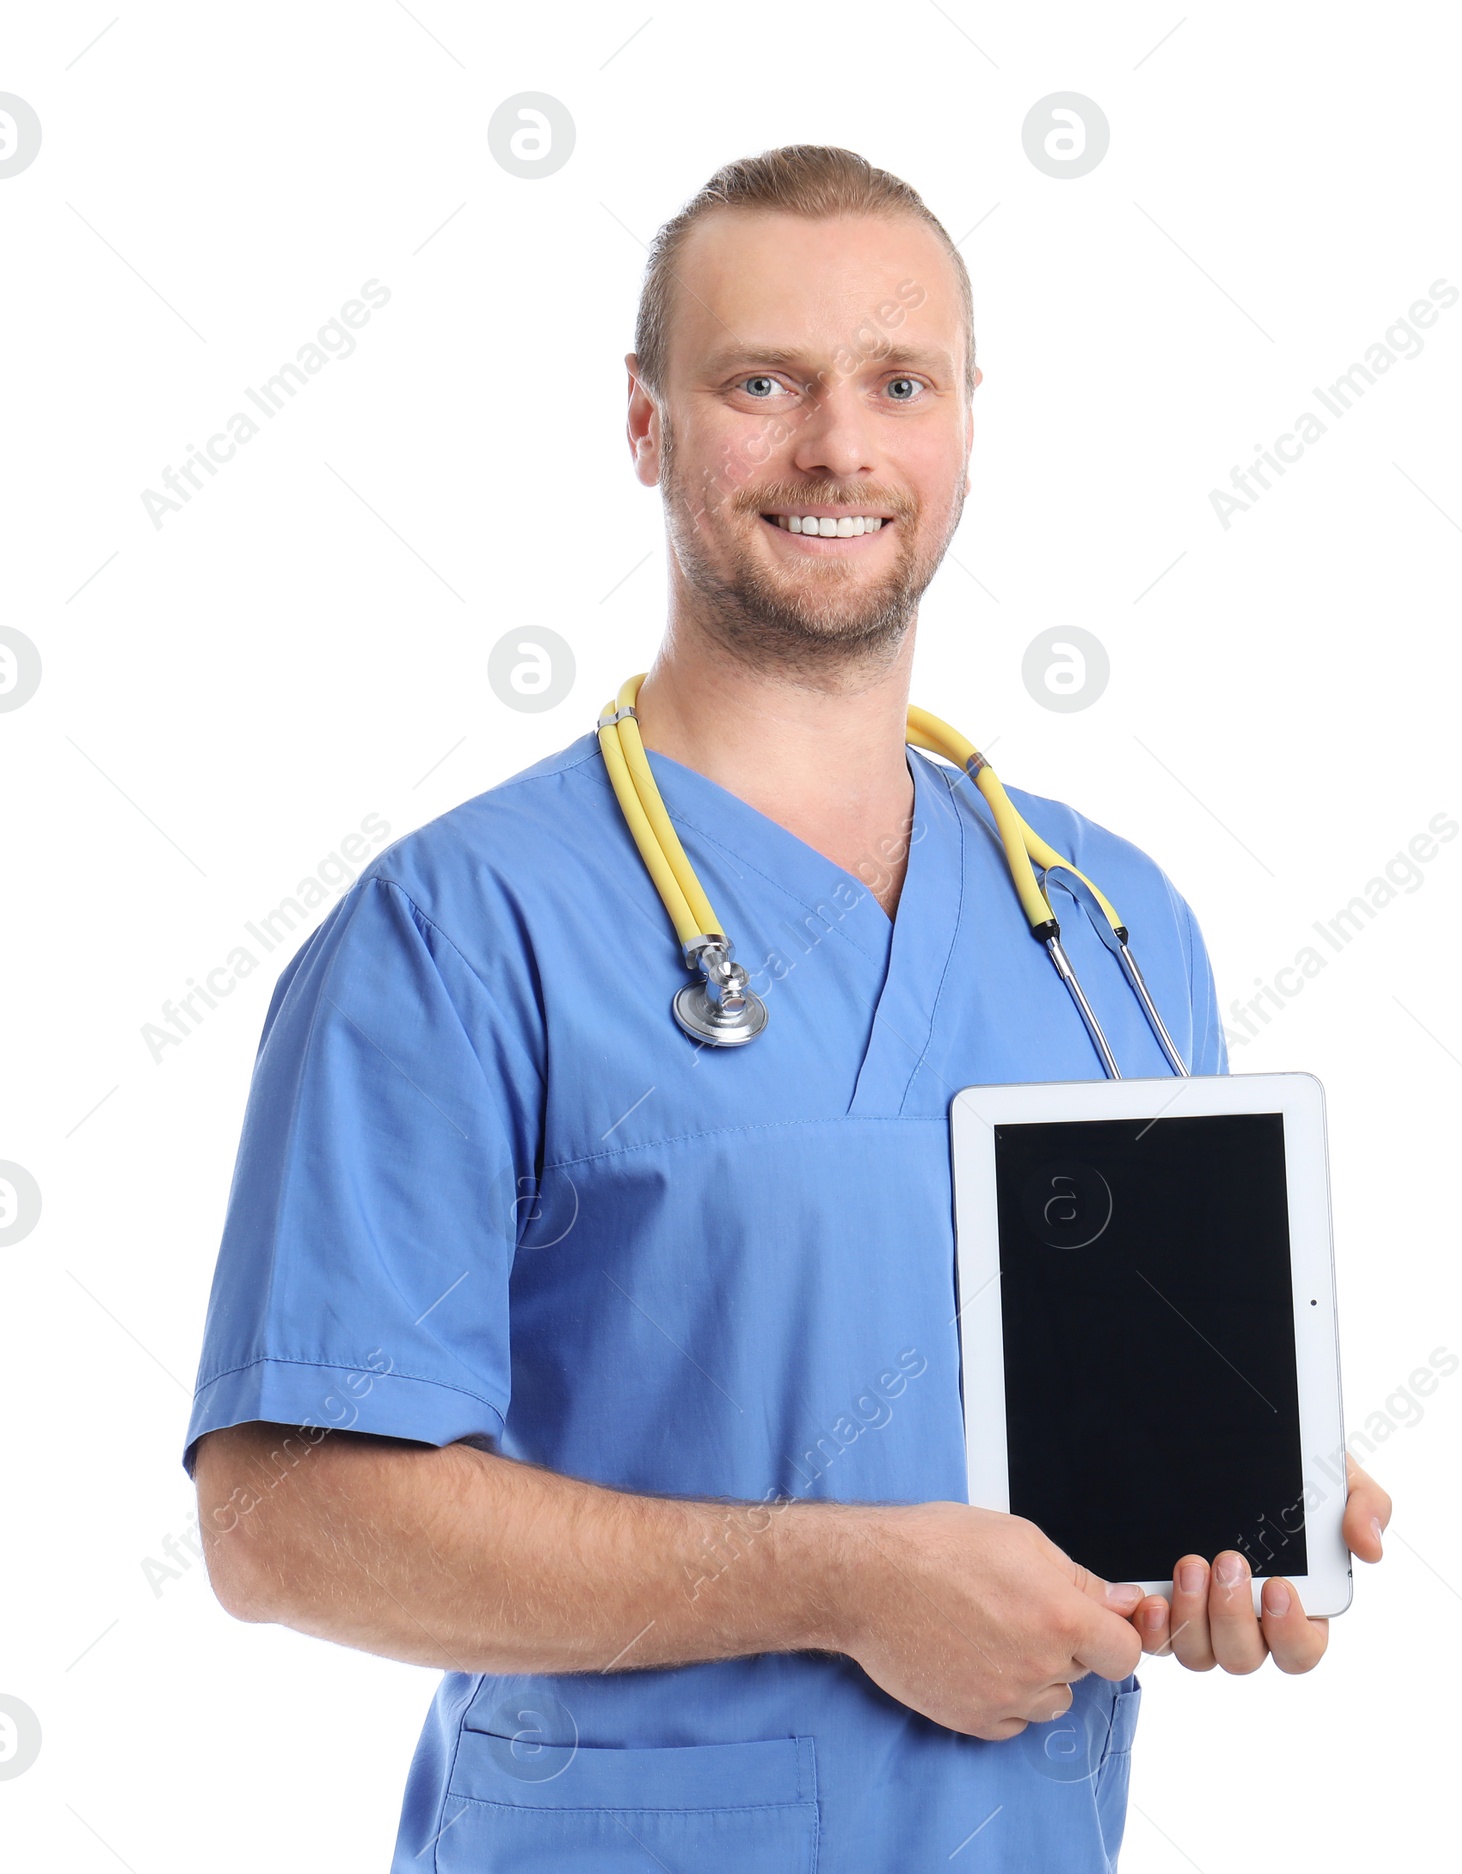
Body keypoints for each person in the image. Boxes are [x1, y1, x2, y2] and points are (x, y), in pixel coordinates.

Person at [186, 144, 1391, 1871]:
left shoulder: (1116, 925)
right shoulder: (463, 927)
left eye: (900, 384)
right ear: (646, 422)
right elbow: (279, 1523)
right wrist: (840, 1581)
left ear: (968, 422)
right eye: (766, 383)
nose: (841, 446)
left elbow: (1058, 1433)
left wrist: (1242, 1489)